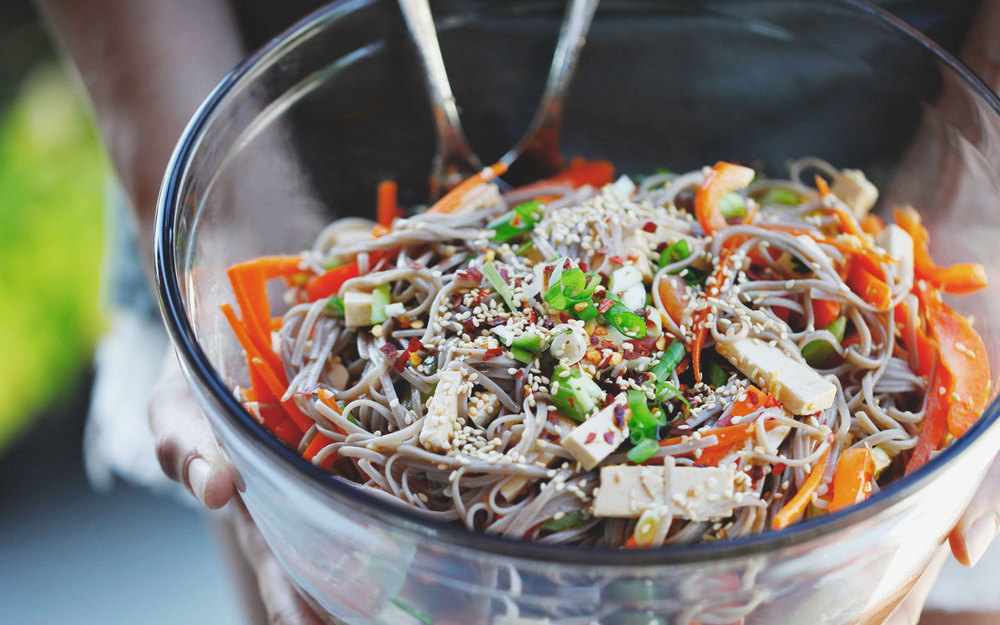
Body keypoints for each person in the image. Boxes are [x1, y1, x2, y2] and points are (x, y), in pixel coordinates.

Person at [34, 0, 1000, 623]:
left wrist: (970, 211)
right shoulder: (343, 347)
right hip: (279, 148)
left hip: (908, 147)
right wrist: (234, 220)